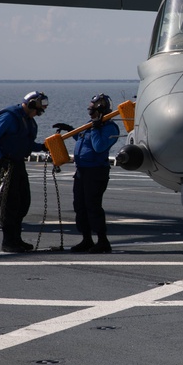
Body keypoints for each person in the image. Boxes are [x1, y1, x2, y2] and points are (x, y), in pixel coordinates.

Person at [0, 90, 49, 253]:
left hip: (19, 164)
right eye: (38, 110)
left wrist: (42, 147)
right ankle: (8, 241)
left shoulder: (28, 121)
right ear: (31, 104)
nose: (37, 114)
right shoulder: (9, 117)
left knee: (22, 203)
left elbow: (26, 143)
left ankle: (17, 239)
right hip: (6, 165)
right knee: (9, 204)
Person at [70, 94, 121, 253]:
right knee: (80, 206)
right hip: (82, 171)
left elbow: (98, 146)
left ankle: (102, 241)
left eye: (92, 111)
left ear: (101, 110)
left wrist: (96, 128)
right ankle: (86, 239)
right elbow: (82, 139)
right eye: (89, 111)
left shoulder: (110, 128)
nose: (90, 114)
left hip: (96, 172)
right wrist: (70, 131)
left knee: (93, 206)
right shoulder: (92, 125)